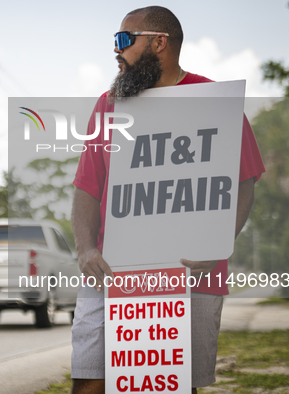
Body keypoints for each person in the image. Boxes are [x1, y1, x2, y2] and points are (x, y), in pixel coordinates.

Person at [70, 6, 265, 394]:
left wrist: (218, 244)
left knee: (174, 386)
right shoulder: (108, 104)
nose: (116, 49)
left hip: (193, 273)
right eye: (115, 40)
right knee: (90, 382)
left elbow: (245, 182)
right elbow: (87, 186)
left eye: (124, 39)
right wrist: (85, 247)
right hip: (110, 270)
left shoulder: (215, 100)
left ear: (159, 43)